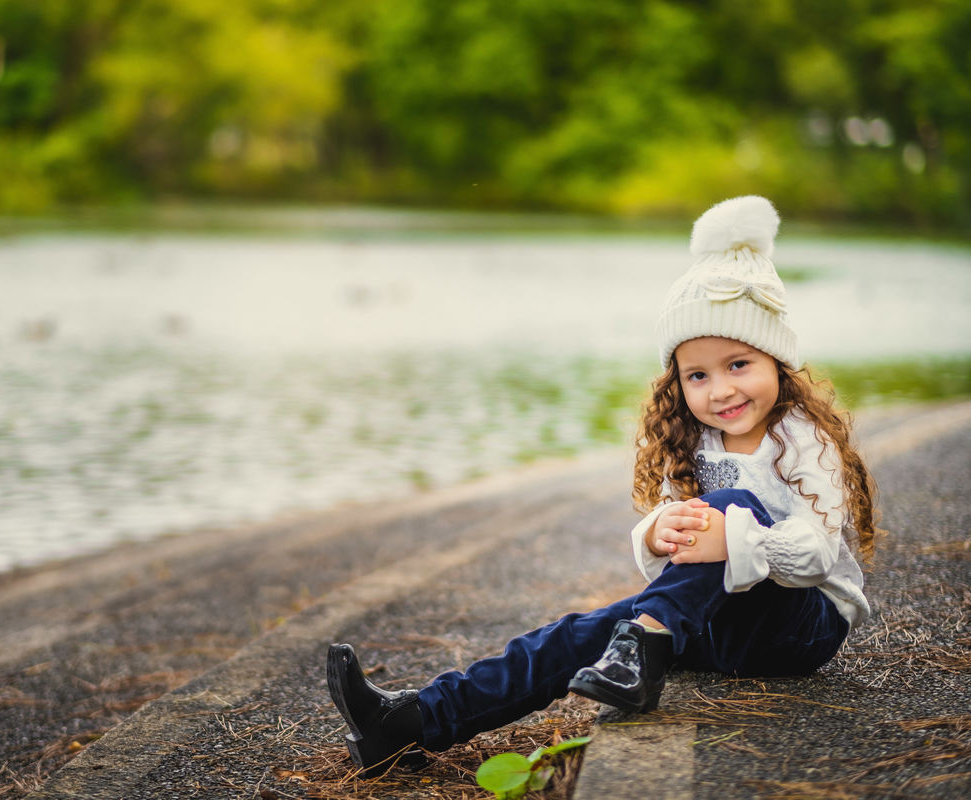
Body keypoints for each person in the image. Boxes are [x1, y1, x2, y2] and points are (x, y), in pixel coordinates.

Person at [326, 195, 880, 777]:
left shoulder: (802, 439)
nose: (720, 390)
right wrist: (659, 532)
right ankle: (410, 722)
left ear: (777, 360)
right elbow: (677, 564)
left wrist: (739, 538)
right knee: (573, 635)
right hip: (714, 622)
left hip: (800, 629)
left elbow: (817, 557)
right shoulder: (693, 440)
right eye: (698, 375)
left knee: (729, 507)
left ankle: (639, 650)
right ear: (678, 382)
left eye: (738, 364)